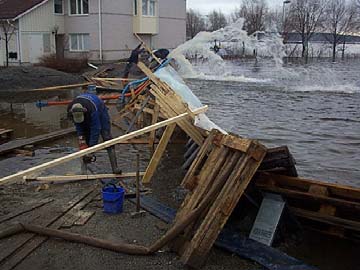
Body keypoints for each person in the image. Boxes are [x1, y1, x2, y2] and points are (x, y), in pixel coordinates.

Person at [67, 92, 122, 174]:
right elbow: (78, 126)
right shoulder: (70, 110)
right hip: (85, 108)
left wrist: (91, 148)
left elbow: (96, 129)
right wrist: (82, 141)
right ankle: (84, 170)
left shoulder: (92, 109)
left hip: (100, 109)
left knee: (107, 137)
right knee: (85, 142)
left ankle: (115, 168)